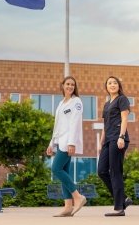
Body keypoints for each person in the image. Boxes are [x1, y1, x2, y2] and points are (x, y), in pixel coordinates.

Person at [46, 76, 87, 217]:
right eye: (67, 84)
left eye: (72, 84)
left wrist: (71, 143)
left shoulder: (76, 102)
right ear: (62, 85)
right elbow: (57, 126)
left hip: (68, 142)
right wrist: (51, 143)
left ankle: (77, 196)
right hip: (60, 141)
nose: (70, 86)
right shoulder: (61, 103)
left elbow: (75, 123)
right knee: (64, 171)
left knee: (56, 168)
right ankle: (68, 207)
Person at [97, 76, 133, 217]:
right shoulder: (107, 104)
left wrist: (121, 136)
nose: (112, 85)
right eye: (109, 83)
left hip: (118, 139)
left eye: (115, 83)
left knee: (115, 171)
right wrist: (101, 141)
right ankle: (123, 199)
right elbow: (105, 125)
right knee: (101, 171)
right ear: (106, 87)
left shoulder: (122, 99)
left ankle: (119, 207)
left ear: (119, 85)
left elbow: (124, 118)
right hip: (108, 140)